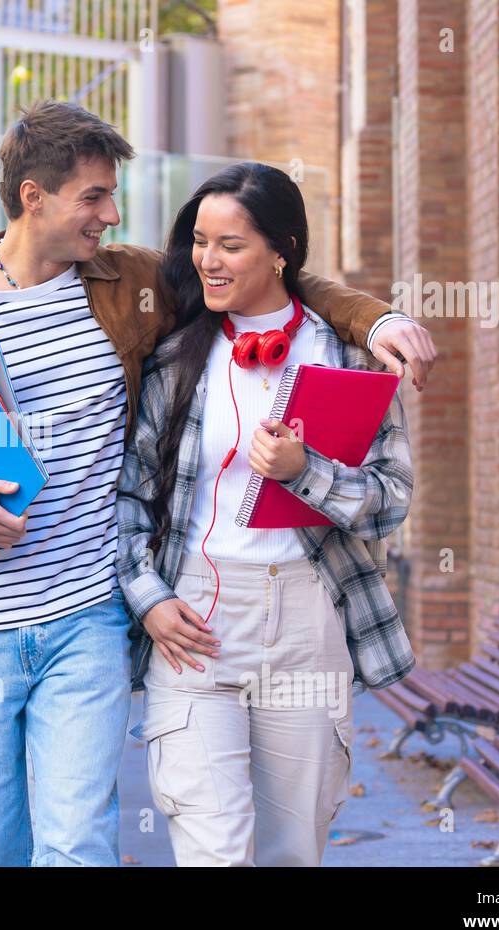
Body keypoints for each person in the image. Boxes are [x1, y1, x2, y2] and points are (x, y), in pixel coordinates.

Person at [0, 100, 436, 866]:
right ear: (33, 197)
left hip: (86, 623)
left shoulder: (132, 287)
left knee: (78, 846)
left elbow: (264, 279)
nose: (111, 216)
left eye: (113, 196)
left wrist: (373, 320)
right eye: (94, 197)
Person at [116, 162, 416, 866]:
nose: (206, 261)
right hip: (194, 616)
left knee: (291, 852)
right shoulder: (172, 359)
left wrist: (303, 472)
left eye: (231, 245)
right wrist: (149, 598)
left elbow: (390, 500)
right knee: (214, 850)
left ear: (282, 251)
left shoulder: (349, 358)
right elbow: (126, 500)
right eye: (200, 241)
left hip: (309, 618)